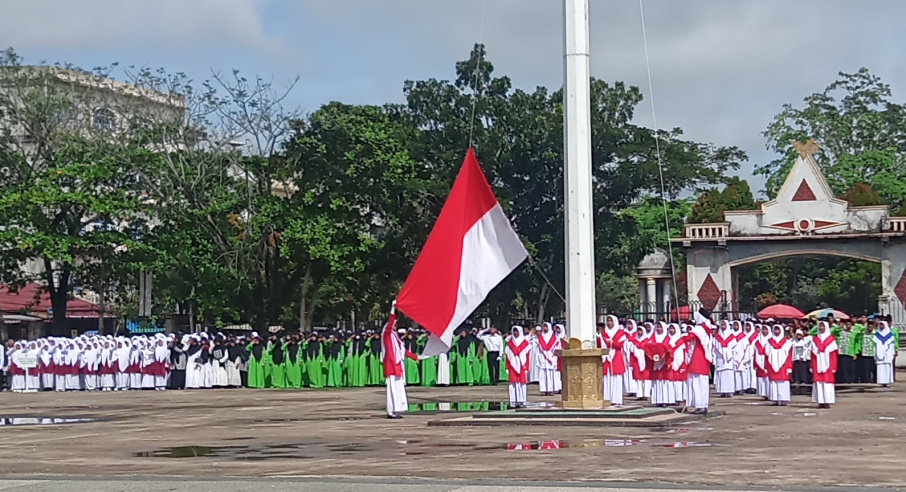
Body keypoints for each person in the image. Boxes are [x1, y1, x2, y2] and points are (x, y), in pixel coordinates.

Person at [383, 312, 417, 419]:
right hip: (391, 366)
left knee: (398, 388)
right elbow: (388, 326)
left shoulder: (396, 338)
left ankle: (396, 409)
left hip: (397, 366)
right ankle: (391, 411)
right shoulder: (387, 335)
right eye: (394, 324)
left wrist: (414, 357)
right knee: (392, 389)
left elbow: (403, 351)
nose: (395, 326)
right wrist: (393, 310)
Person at [684, 309, 713, 414]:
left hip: (698, 358)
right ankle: (702, 405)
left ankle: (700, 405)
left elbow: (689, 337)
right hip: (702, 358)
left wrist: (680, 338)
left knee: (698, 382)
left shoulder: (699, 329)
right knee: (701, 383)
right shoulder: (705, 328)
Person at [597, 315, 627, 406]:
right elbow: (600, 344)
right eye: (608, 321)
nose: (609, 323)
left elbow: (620, 345)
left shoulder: (620, 333)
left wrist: (611, 343)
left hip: (616, 357)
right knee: (607, 378)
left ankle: (616, 399)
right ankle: (607, 398)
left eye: (611, 321)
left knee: (616, 378)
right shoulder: (603, 333)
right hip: (607, 357)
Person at [810, 321, 838, 408]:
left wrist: (833, 366)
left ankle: (827, 401)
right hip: (817, 363)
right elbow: (812, 354)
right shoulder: (815, 339)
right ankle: (820, 401)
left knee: (827, 383)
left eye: (823, 326)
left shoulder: (831, 339)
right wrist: (811, 365)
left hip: (828, 364)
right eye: (820, 326)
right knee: (818, 383)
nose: (821, 328)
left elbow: (833, 354)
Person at [765, 324, 793, 406]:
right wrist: (766, 366)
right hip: (772, 364)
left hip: (784, 364)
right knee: (774, 382)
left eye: (778, 330)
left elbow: (789, 356)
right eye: (775, 330)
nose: (777, 331)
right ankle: (775, 399)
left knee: (783, 382)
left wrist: (789, 367)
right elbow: (766, 355)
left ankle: (783, 399)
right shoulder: (769, 342)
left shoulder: (787, 342)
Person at [505, 326, 530, 408]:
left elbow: (527, 356)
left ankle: (522, 401)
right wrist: (507, 367)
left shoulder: (525, 343)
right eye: (514, 331)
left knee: (521, 383)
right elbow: (507, 356)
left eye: (517, 331)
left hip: (522, 365)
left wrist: (526, 366)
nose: (515, 333)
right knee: (513, 383)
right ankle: (513, 401)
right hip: (512, 365)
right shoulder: (509, 344)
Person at [712, 320, 737, 398]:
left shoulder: (731, 336)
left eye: (724, 324)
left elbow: (735, 348)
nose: (723, 326)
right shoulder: (717, 337)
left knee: (729, 374)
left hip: (729, 359)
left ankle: (729, 391)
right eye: (721, 324)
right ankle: (722, 391)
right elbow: (714, 348)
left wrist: (733, 356)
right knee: (721, 374)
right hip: (720, 358)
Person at [535, 322, 561, 396]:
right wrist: (538, 358)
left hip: (551, 358)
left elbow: (557, 348)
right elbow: (538, 349)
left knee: (551, 374)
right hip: (543, 357)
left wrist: (552, 356)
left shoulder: (555, 338)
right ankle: (544, 389)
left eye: (546, 327)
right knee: (543, 374)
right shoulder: (540, 338)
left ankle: (550, 389)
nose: (545, 328)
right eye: (544, 327)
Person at [874, 321, 896, 386]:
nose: (881, 326)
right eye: (880, 325)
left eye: (882, 325)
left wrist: (891, 353)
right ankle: (881, 381)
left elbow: (892, 346)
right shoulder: (877, 334)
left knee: (887, 367)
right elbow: (875, 344)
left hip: (887, 354)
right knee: (880, 368)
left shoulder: (890, 334)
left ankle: (887, 381)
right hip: (879, 353)